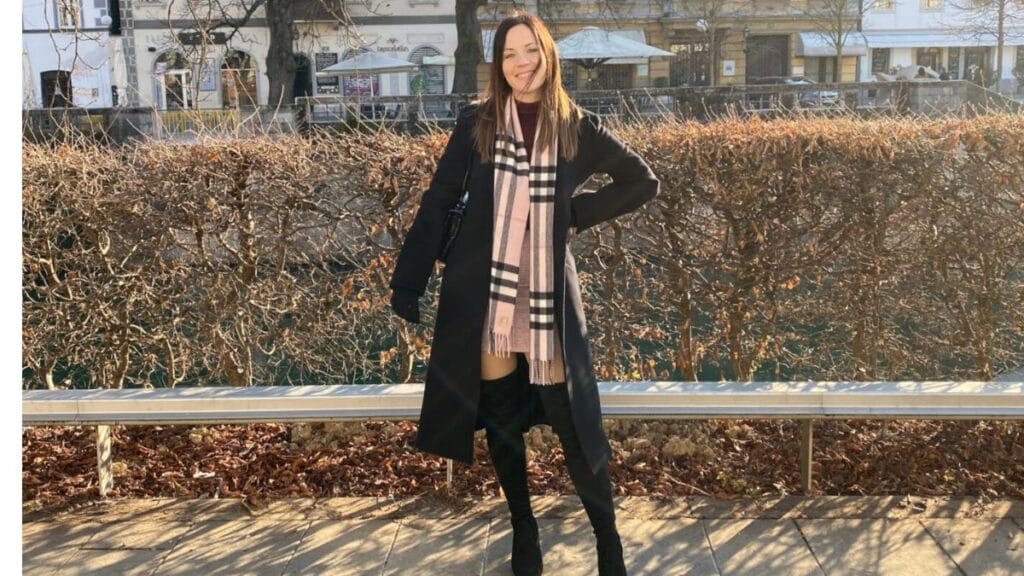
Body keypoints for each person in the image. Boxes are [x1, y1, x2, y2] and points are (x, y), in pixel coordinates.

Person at [388, 12, 659, 576]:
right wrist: (408, 279)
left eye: (530, 51)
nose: (521, 64)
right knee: (504, 420)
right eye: (509, 54)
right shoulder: (476, 124)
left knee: (574, 423)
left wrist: (573, 215)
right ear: (499, 64)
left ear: (547, 55)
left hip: (546, 298)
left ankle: (608, 540)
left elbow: (642, 181)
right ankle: (523, 528)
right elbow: (438, 203)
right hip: (485, 295)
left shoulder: (576, 126)